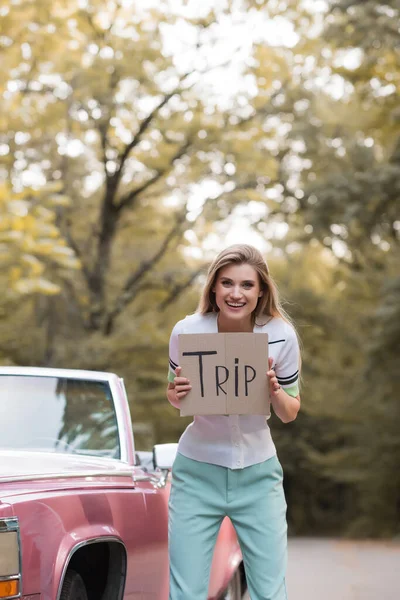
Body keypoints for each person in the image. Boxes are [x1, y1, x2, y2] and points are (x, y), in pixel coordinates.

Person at [166, 244, 301, 600]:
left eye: (246, 285)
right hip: (196, 473)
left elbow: (290, 411)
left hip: (259, 475)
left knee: (270, 592)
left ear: (261, 291)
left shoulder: (281, 335)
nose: (236, 293)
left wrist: (273, 390)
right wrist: (176, 391)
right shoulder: (187, 331)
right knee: (186, 592)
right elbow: (173, 393)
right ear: (213, 287)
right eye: (227, 283)